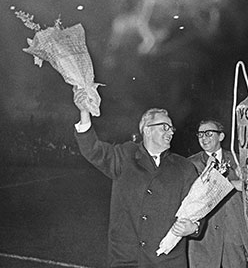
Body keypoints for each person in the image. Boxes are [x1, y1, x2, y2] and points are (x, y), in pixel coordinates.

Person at [73, 97, 200, 266]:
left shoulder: (185, 167)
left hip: (167, 262)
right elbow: (93, 150)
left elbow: (198, 207)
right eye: (164, 127)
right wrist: (84, 112)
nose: (170, 132)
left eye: (171, 128)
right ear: (147, 130)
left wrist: (194, 227)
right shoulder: (125, 156)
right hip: (126, 260)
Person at [187, 118, 248, 268]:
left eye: (208, 133)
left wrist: (246, 181)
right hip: (205, 236)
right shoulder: (190, 164)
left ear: (221, 136)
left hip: (233, 233)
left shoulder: (239, 159)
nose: (203, 138)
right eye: (200, 134)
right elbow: (197, 194)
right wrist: (232, 184)